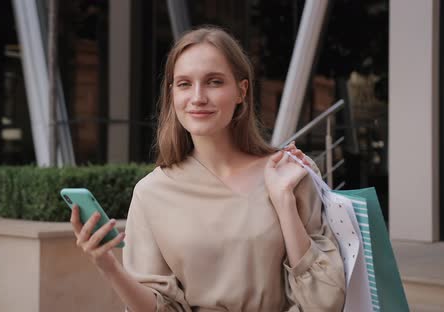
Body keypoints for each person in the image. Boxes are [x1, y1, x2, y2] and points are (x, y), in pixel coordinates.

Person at [70, 26, 345, 311]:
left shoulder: (290, 172)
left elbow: (327, 299)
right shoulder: (151, 193)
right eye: (184, 83)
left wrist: (284, 202)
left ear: (241, 91)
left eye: (214, 82)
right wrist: (108, 266)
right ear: (172, 94)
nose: (198, 97)